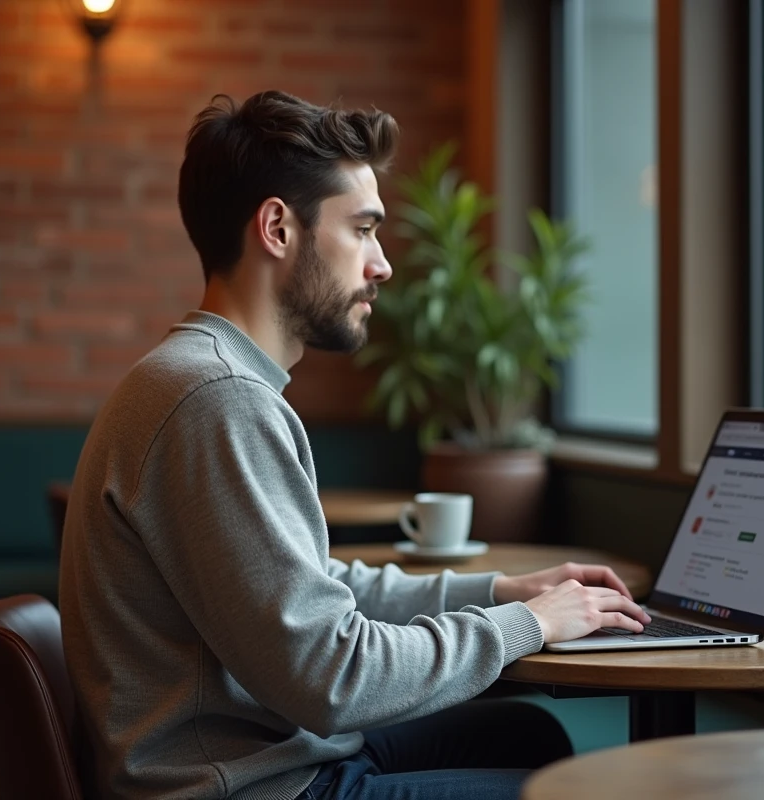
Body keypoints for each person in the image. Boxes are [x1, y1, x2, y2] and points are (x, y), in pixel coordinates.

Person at [58, 90, 650, 800]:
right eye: (363, 230)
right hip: (246, 787)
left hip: (270, 753)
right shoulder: (217, 399)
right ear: (277, 227)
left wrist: (499, 591)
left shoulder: (204, 379)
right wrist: (524, 624)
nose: (382, 266)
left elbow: (315, 591)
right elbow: (330, 676)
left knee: (530, 736)